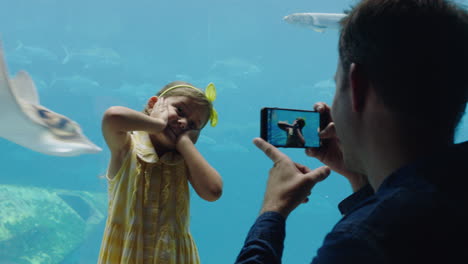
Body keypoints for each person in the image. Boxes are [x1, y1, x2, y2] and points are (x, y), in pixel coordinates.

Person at [235, 0, 468, 263]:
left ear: (357, 85)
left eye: (336, 86)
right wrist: (360, 179)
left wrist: (272, 211)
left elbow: (384, 231)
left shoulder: (362, 241)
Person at [98, 81, 223, 264]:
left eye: (193, 125)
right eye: (180, 111)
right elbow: (112, 116)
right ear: (153, 104)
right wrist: (157, 123)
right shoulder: (127, 147)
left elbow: (213, 191)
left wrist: (185, 143)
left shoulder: (184, 162)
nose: (183, 123)